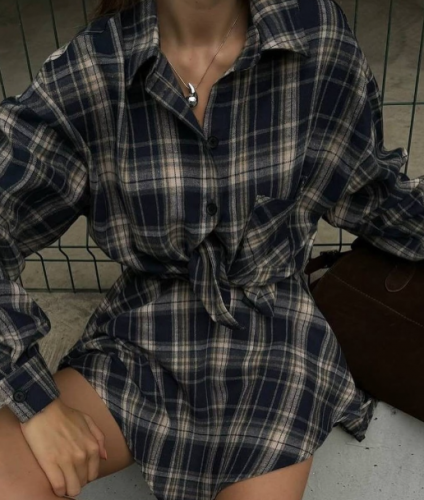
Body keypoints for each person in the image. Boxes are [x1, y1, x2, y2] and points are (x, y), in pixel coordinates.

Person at [0, 0, 423, 499]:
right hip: (143, 334)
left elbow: (371, 190)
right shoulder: (95, 69)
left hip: (275, 341)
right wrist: (37, 403)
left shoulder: (312, 37)